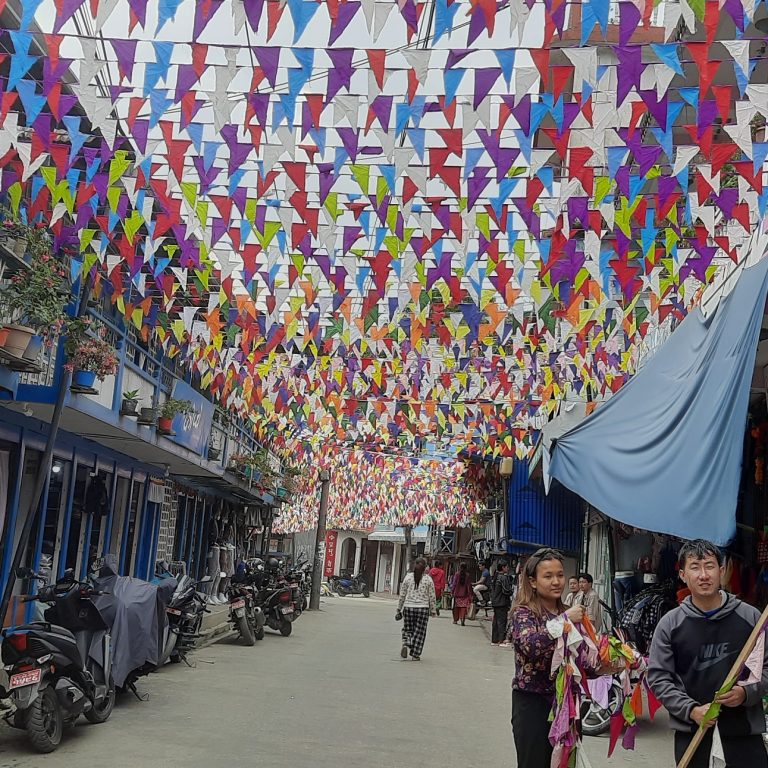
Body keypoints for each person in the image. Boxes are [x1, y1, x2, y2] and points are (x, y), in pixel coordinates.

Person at [648, 539, 768, 768]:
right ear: (683, 575)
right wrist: (690, 709)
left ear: (721, 571)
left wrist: (746, 692)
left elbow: (767, 667)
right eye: (695, 567)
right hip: (693, 731)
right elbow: (659, 678)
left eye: (710, 566)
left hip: (743, 733)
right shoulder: (670, 625)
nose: (704, 575)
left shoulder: (751, 618)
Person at [510, 548, 610, 768]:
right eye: (548, 576)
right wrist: (565, 619)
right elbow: (531, 645)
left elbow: (582, 660)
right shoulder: (523, 613)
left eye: (560, 575)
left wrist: (606, 665)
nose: (556, 581)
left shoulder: (572, 613)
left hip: (567, 705)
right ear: (533, 582)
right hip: (532, 705)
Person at [396, 557, 436, 661]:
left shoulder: (408, 577)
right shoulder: (428, 579)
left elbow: (402, 594)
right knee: (420, 632)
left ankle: (406, 643)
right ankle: (415, 654)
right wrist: (433, 610)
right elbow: (432, 596)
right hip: (423, 609)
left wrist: (399, 609)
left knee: (408, 628)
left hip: (409, 607)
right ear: (425, 568)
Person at [490, 558, 514, 645]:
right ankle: (501, 640)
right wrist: (511, 591)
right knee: (501, 621)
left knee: (496, 621)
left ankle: (494, 639)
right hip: (502, 602)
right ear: (503, 567)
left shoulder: (495, 576)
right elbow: (506, 590)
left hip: (495, 602)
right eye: (507, 567)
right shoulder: (503, 577)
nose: (508, 569)